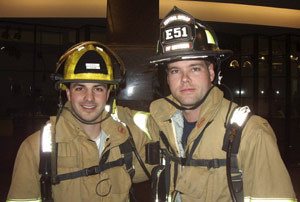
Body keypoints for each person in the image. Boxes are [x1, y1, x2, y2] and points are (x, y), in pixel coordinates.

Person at [146, 6, 297, 202]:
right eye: (175, 70)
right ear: (167, 78)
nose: (184, 79)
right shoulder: (158, 124)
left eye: (194, 69)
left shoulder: (250, 133)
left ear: (211, 73)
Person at [7, 41, 152, 202]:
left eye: (98, 88)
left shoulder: (128, 140)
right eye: (79, 88)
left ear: (108, 93)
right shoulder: (36, 147)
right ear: (68, 93)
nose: (89, 98)